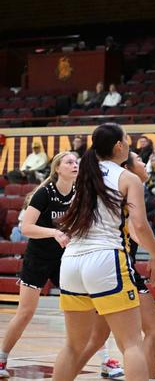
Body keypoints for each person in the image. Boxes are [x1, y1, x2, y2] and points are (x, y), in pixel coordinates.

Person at [52, 123, 155, 381]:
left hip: (71, 261)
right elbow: (139, 224)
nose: (130, 144)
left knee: (73, 345)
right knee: (132, 344)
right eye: (127, 140)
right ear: (118, 146)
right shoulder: (127, 178)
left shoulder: (84, 175)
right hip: (105, 259)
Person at [74, 151, 155, 381]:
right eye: (140, 161)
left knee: (94, 340)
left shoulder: (112, 187)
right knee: (154, 330)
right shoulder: (128, 185)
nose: (145, 165)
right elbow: (135, 228)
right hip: (118, 268)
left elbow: (130, 229)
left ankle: (64, 374)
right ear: (127, 166)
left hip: (95, 268)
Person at [0, 152, 78, 379]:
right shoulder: (45, 193)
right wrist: (54, 232)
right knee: (25, 312)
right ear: (57, 169)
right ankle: (2, 358)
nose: (75, 165)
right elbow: (26, 228)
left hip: (65, 259)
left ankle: (106, 361)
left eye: (76, 162)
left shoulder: (78, 193)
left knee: (84, 309)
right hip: (39, 257)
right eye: (69, 162)